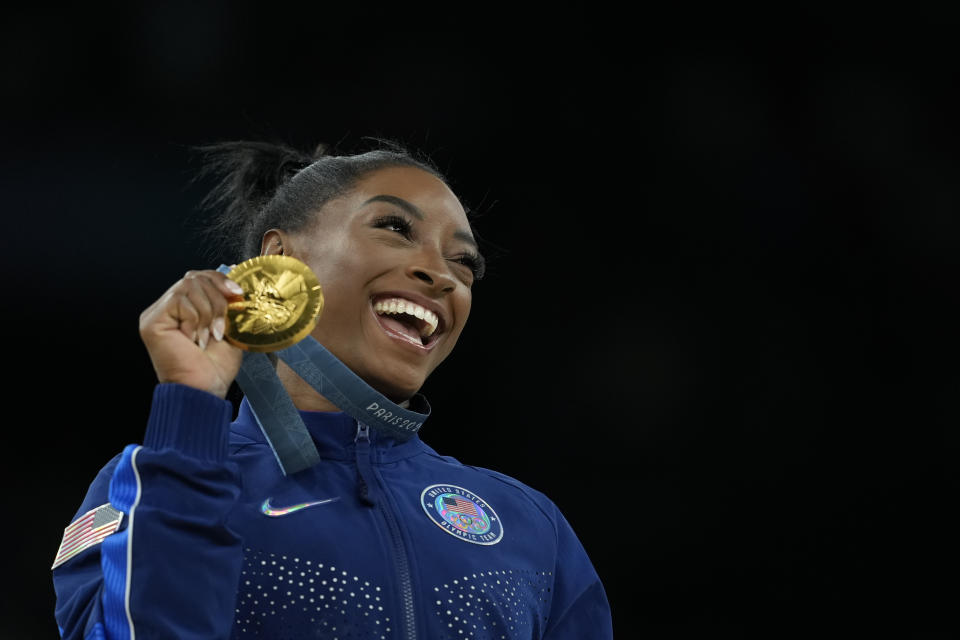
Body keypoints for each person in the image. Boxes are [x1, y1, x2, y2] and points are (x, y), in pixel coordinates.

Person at [51, 140, 613, 639]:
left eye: (464, 264)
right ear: (280, 259)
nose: (442, 276)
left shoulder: (530, 526)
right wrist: (191, 404)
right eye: (395, 228)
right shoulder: (164, 480)